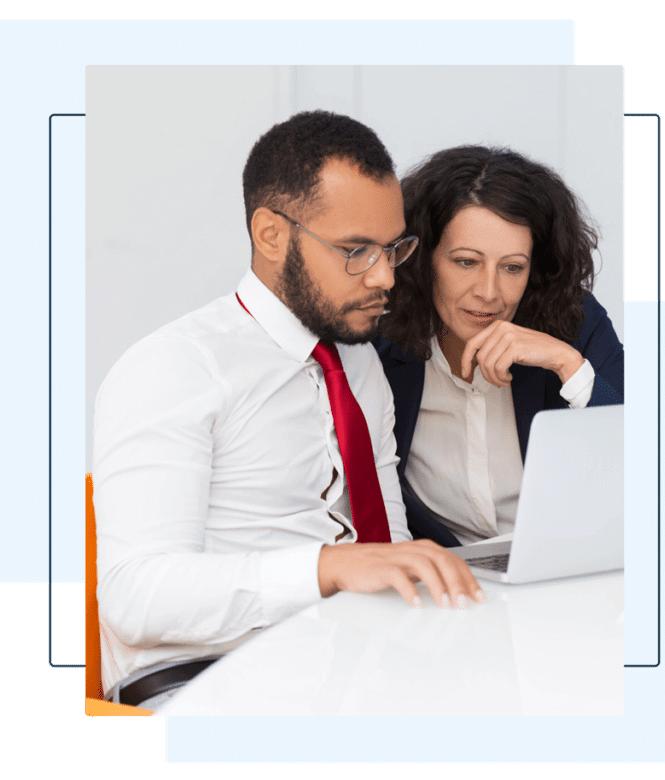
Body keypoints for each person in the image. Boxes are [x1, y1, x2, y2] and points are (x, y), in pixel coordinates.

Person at [92, 111, 484, 710]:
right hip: (207, 683)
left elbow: (388, 546)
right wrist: (327, 569)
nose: (383, 276)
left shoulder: (359, 366)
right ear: (272, 234)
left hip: (350, 670)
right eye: (356, 250)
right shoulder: (176, 367)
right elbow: (137, 599)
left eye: (392, 249)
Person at [374, 145, 624, 548]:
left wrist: (567, 364)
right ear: (424, 260)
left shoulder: (576, 324)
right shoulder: (379, 352)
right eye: (466, 262)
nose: (489, 293)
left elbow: (654, 465)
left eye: (512, 268)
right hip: (450, 591)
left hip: (574, 574)